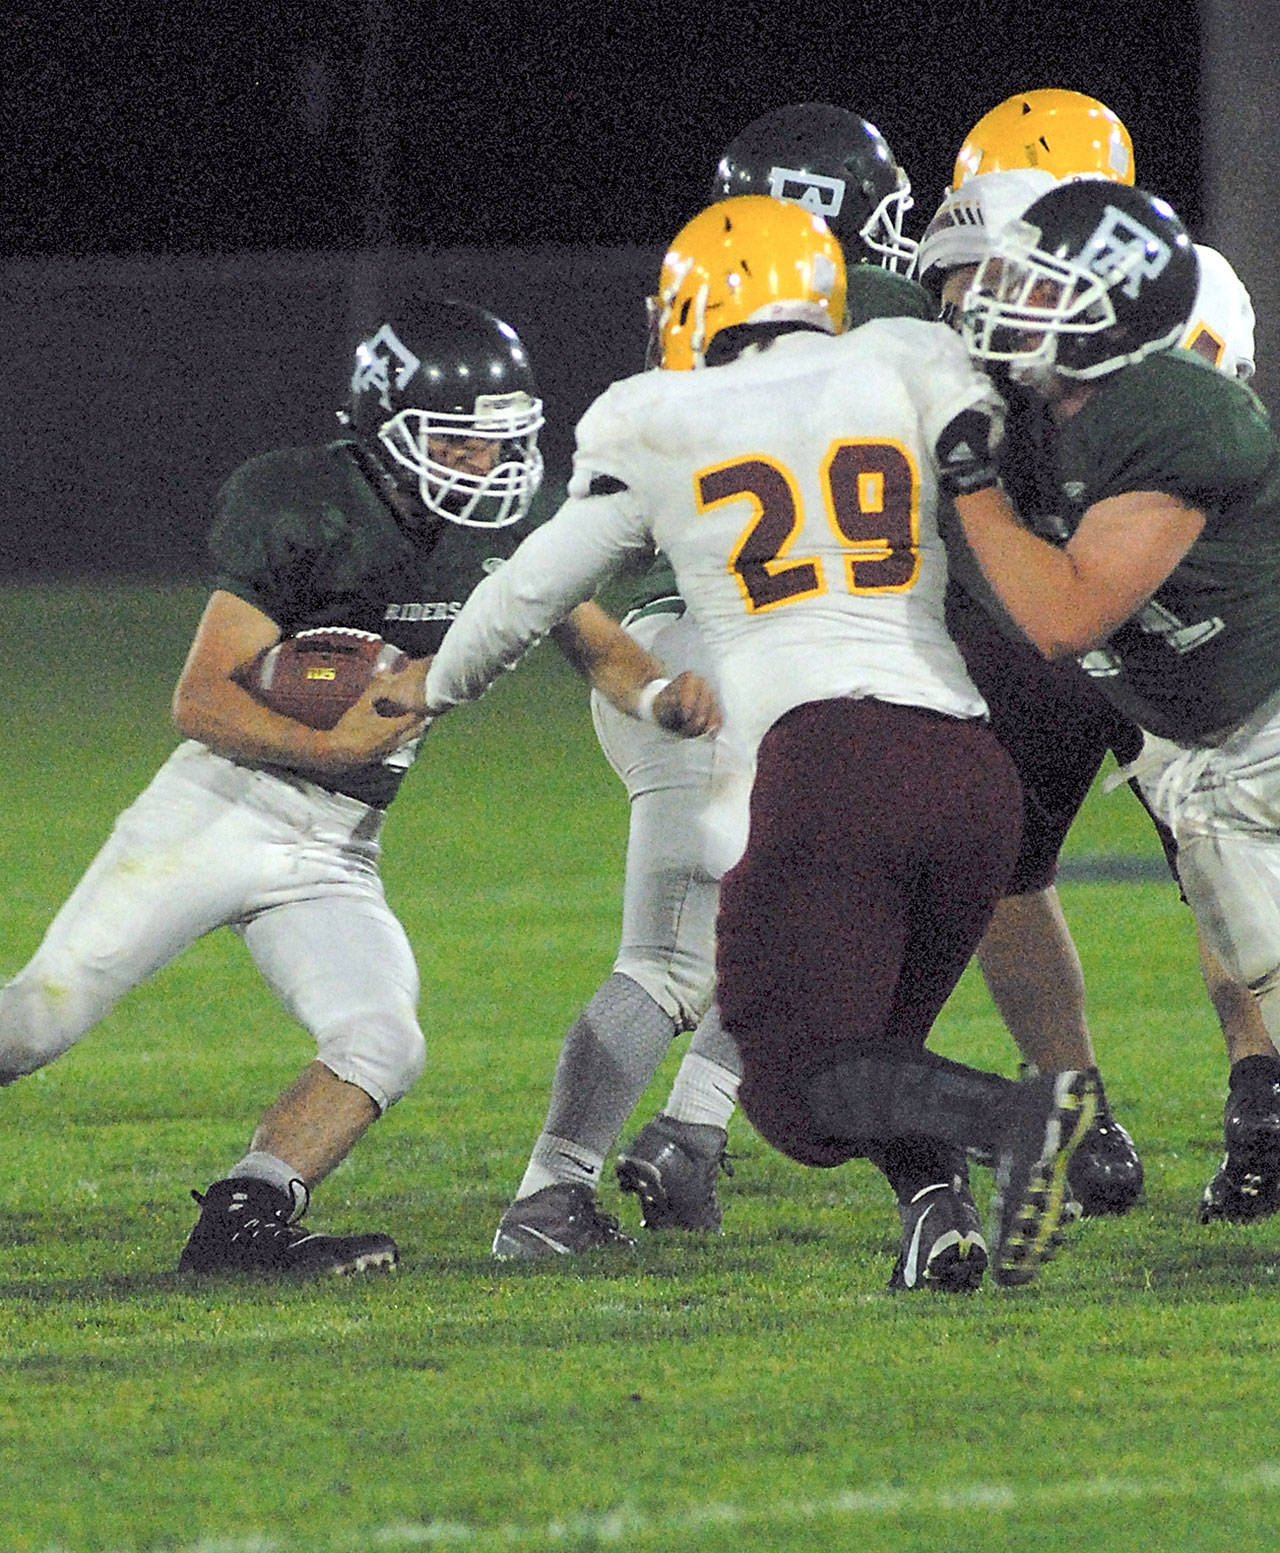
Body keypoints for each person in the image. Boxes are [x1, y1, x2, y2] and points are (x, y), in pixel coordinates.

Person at [408, 194, 1101, 1292]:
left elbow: (526, 589)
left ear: (692, 305)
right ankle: (938, 1216)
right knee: (874, 1047)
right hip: (971, 770)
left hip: (831, 765)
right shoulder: (906, 353)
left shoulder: (659, 414)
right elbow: (1002, 422)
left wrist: (432, 689)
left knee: (799, 1092)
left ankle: (1022, 1118)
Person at [0, 296, 715, 1276]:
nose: (486, 466)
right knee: (36, 1021)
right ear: (385, 428)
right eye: (458, 443)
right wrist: (325, 744)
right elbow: (201, 698)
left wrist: (663, 694)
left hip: (335, 848)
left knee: (382, 1037)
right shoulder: (306, 504)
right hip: (219, 807)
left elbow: (593, 641)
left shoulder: (509, 528)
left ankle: (243, 1220)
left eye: (500, 443)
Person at [488, 105, 937, 1260]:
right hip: (748, 673)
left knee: (802, 922)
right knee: (675, 961)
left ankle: (686, 1137)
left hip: (676, 653)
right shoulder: (881, 329)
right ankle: (548, 1195)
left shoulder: (696, 335)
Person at [917, 105, 1278, 1221]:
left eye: (1023, 272)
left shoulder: (1166, 379)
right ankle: (1098, 1106)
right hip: (1122, 650)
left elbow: (1082, 584)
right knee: (1019, 859)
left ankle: (1255, 1104)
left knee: (1234, 887)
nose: (989, 300)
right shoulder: (1020, 326)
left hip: (1180, 636)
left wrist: (974, 482)